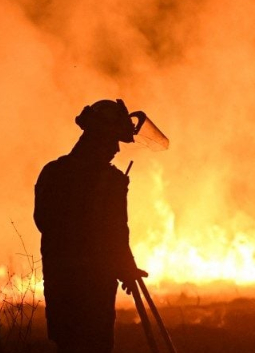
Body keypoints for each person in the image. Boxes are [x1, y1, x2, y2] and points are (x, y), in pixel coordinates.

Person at [34, 99, 149, 353]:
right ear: (98, 139)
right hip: (94, 287)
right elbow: (116, 233)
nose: (116, 150)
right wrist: (124, 267)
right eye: (113, 141)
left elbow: (43, 222)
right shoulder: (110, 181)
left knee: (69, 345)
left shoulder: (53, 172)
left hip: (61, 283)